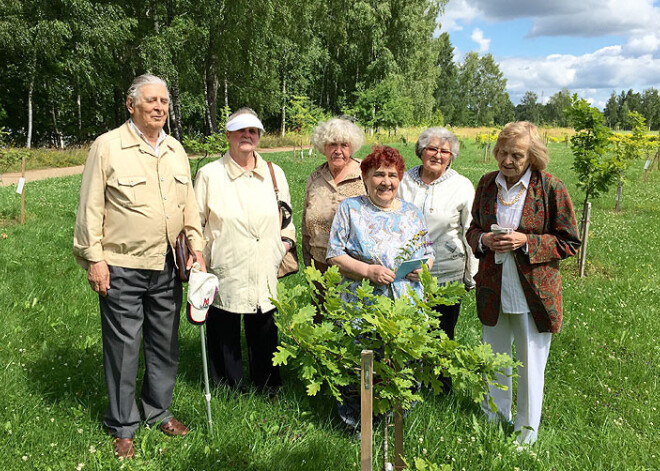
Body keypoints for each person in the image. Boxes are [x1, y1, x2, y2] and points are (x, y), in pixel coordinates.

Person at [73, 74, 204, 459]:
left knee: (164, 344)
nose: (160, 107)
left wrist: (195, 247)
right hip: (122, 265)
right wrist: (94, 258)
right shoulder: (108, 146)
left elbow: (189, 206)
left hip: (168, 264)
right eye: (151, 101)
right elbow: (90, 206)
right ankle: (123, 424)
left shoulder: (175, 149)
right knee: (125, 347)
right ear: (132, 105)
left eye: (164, 101)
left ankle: (157, 410)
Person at [466, 121, 581, 445]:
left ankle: (525, 435)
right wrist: (485, 238)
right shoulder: (488, 184)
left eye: (515, 155)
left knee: (531, 365)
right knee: (495, 358)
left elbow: (570, 241)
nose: (506, 161)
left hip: (533, 292)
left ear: (532, 155)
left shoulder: (550, 187)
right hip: (493, 287)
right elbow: (472, 230)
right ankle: (493, 420)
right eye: (501, 152)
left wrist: (526, 241)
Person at [326, 145, 434, 428]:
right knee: (360, 364)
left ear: (400, 178)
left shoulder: (412, 213)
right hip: (362, 305)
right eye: (378, 175)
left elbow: (429, 253)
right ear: (365, 177)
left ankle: (395, 422)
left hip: (405, 306)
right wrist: (367, 271)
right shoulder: (350, 209)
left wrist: (423, 268)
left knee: (402, 365)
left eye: (392, 174)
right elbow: (334, 254)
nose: (385, 181)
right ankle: (354, 422)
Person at [194, 107, 295, 393]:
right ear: (228, 135)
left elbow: (286, 219)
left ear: (259, 136)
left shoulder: (275, 173)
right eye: (240, 130)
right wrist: (199, 258)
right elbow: (195, 223)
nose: (247, 136)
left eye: (253, 131)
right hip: (226, 263)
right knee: (224, 324)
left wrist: (282, 245)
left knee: (264, 324)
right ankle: (228, 387)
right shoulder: (210, 175)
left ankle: (268, 385)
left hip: (264, 263)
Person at [398, 127, 477, 392]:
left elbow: (470, 230)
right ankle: (408, 384)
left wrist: (471, 275)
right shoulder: (403, 181)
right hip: (405, 272)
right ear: (421, 151)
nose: (438, 155)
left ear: (451, 156)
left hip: (446, 271)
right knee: (406, 330)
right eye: (432, 149)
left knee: (442, 332)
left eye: (445, 151)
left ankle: (440, 388)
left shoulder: (461, 186)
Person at [302, 117, 365, 273]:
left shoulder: (365, 173)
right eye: (332, 145)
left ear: (352, 147)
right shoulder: (315, 178)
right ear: (324, 147)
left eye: (344, 145)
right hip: (320, 263)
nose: (338, 151)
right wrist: (308, 262)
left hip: (356, 265)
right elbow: (305, 225)